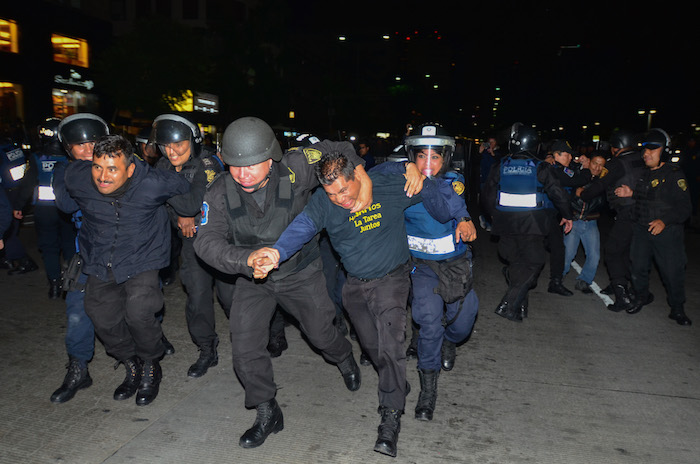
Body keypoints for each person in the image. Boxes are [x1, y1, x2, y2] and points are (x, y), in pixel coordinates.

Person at [252, 147, 455, 457]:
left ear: (358, 176)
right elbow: (302, 228)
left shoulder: (387, 186)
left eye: (344, 190)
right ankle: (396, 381)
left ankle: (389, 420)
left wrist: (451, 206)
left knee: (391, 345)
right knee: (374, 349)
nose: (340, 199)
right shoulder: (324, 202)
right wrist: (276, 253)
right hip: (354, 287)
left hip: (392, 280)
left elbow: (437, 194)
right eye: (332, 193)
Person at [193, 117, 369, 449]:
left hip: (301, 273)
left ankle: (343, 355)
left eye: (252, 165)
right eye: (235, 165)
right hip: (252, 279)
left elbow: (341, 149)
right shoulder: (218, 191)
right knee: (244, 348)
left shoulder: (297, 166)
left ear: (271, 157)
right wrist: (246, 260)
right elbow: (206, 242)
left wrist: (362, 178)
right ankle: (266, 410)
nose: (243, 173)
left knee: (321, 332)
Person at [58, 134, 189, 406]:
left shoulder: (152, 183)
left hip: (142, 258)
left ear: (130, 169)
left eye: (112, 169)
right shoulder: (77, 176)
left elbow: (187, 186)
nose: (102, 177)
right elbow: (62, 194)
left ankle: (151, 364)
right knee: (99, 313)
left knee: (139, 310)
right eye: (97, 167)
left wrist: (186, 212)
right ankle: (131, 362)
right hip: (100, 258)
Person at [371, 123, 478, 422]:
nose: (427, 164)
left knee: (462, 323)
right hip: (422, 269)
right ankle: (427, 393)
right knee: (428, 322)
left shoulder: (453, 182)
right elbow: (371, 176)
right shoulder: (402, 179)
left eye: (435, 158)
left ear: (446, 159)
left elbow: (451, 201)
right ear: (410, 157)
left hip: (455, 267)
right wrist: (405, 169)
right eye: (421, 157)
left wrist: (465, 218)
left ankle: (449, 342)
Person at [151, 114, 231, 378]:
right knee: (197, 297)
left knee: (232, 299)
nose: (171, 152)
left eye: (179, 145)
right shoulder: (163, 164)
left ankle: (266, 332)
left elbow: (190, 205)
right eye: (165, 146)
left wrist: (173, 199)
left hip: (223, 240)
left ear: (193, 141)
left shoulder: (210, 162)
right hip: (190, 242)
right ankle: (207, 348)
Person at [483, 123, 573, 322]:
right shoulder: (541, 167)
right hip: (532, 225)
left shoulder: (501, 165)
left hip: (505, 223)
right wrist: (567, 214)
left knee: (516, 263)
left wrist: (493, 215)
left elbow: (487, 194)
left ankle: (520, 307)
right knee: (534, 262)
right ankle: (508, 303)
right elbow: (558, 194)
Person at [50, 113, 111, 403]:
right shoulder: (64, 171)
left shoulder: (122, 165)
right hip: (86, 251)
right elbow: (64, 202)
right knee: (77, 309)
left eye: (94, 143)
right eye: (80, 146)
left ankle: (148, 353)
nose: (88, 151)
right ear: (68, 148)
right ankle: (78, 367)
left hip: (126, 247)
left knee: (140, 305)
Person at [615, 129, 692, 325]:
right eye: (645, 150)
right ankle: (642, 296)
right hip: (642, 229)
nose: (646, 154)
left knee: (672, 272)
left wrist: (664, 221)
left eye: (652, 150)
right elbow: (647, 197)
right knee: (637, 267)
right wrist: (631, 193)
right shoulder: (644, 174)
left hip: (667, 232)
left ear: (664, 152)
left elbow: (685, 207)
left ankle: (677, 308)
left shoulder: (674, 175)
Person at [579, 129, 645, 311]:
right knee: (625, 252)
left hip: (627, 212)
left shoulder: (617, 162)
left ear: (616, 147)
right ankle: (629, 287)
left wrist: (583, 195)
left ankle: (622, 294)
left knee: (613, 251)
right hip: (642, 211)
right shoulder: (640, 158)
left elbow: (602, 183)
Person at [32, 117, 76, 298]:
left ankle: (55, 285)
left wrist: (17, 205)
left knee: (49, 248)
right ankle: (70, 282)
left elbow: (27, 184)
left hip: (44, 210)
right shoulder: (72, 159)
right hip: (66, 209)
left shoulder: (37, 158)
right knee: (69, 244)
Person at [547, 140, 593, 296]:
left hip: (556, 214)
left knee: (557, 249)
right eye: (567, 155)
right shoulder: (556, 170)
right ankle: (555, 282)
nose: (569, 158)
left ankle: (555, 281)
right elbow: (578, 180)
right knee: (555, 249)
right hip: (550, 214)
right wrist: (586, 168)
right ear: (557, 155)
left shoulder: (558, 168)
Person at [564, 153, 607, 293]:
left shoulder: (604, 182)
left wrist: (583, 193)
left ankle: (584, 281)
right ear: (589, 163)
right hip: (574, 220)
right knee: (567, 254)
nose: (597, 167)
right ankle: (558, 278)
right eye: (595, 163)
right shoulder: (580, 175)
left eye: (601, 165)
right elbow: (566, 177)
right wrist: (579, 165)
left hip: (591, 222)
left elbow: (601, 202)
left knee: (594, 255)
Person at [0, 137, 39, 274]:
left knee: (6, 230)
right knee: (10, 228)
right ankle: (7, 259)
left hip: (8, 191)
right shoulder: (10, 146)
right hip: (16, 189)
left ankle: (24, 260)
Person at [478, 136, 503, 231]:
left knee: (493, 202)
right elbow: (475, 162)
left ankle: (490, 223)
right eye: (489, 142)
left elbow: (499, 164)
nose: (491, 144)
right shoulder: (483, 153)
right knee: (485, 201)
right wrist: (480, 152)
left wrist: (492, 153)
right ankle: (484, 219)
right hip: (484, 180)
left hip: (495, 181)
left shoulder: (498, 153)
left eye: (493, 142)